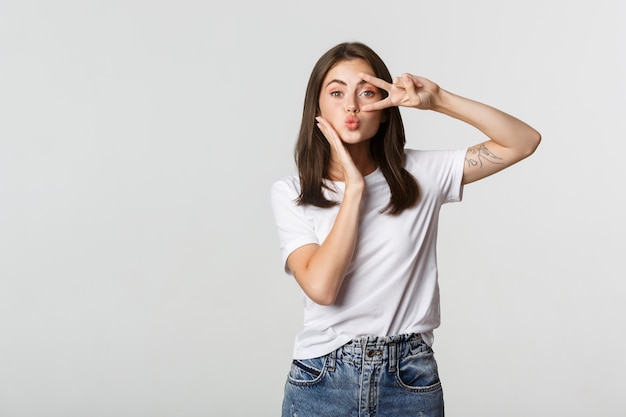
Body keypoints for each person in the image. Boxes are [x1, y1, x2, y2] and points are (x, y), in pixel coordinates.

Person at [270, 41, 540, 417]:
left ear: (384, 111)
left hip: (409, 378)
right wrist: (355, 189)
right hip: (323, 379)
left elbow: (523, 141)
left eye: (366, 92)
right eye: (336, 92)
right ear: (316, 107)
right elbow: (323, 288)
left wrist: (439, 99)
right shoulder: (293, 193)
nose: (351, 105)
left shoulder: (422, 174)